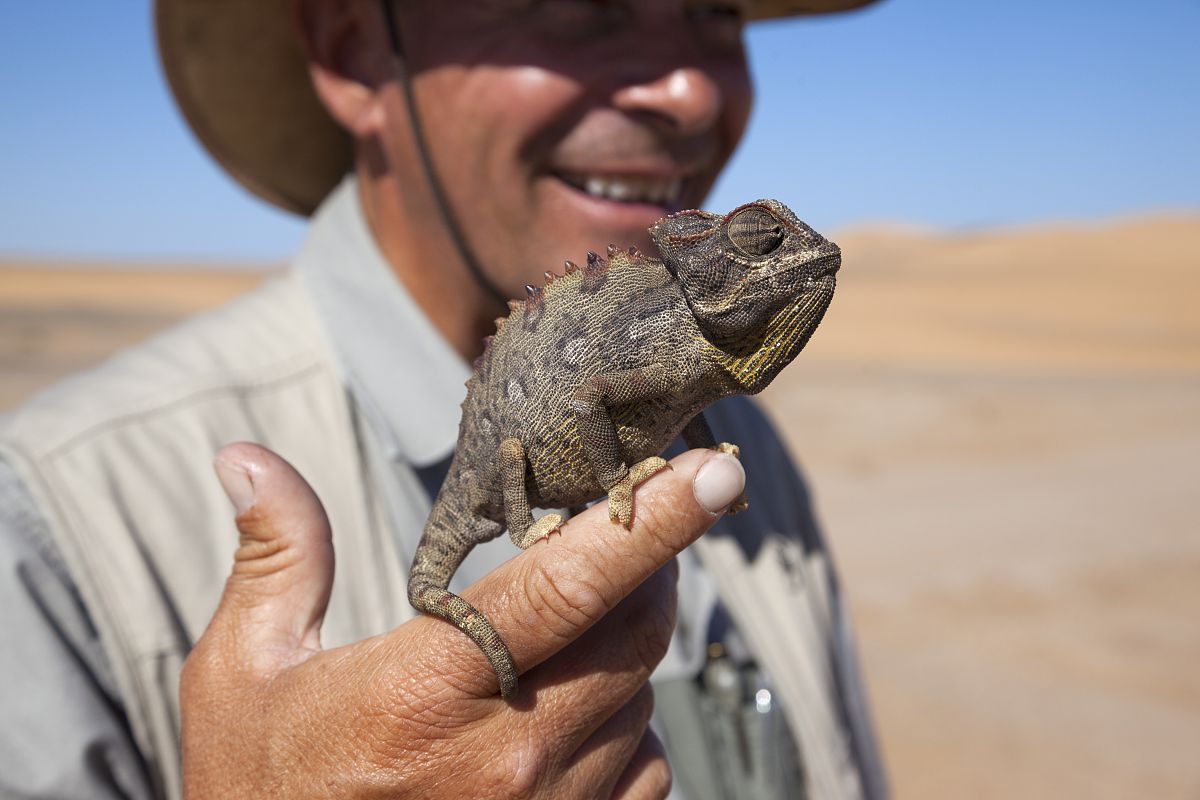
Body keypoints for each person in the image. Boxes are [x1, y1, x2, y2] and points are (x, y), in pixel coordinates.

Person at [0, 0, 887, 797]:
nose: (689, 91)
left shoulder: (745, 451)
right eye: (583, 8)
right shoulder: (58, 527)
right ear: (355, 54)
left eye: (717, 13)